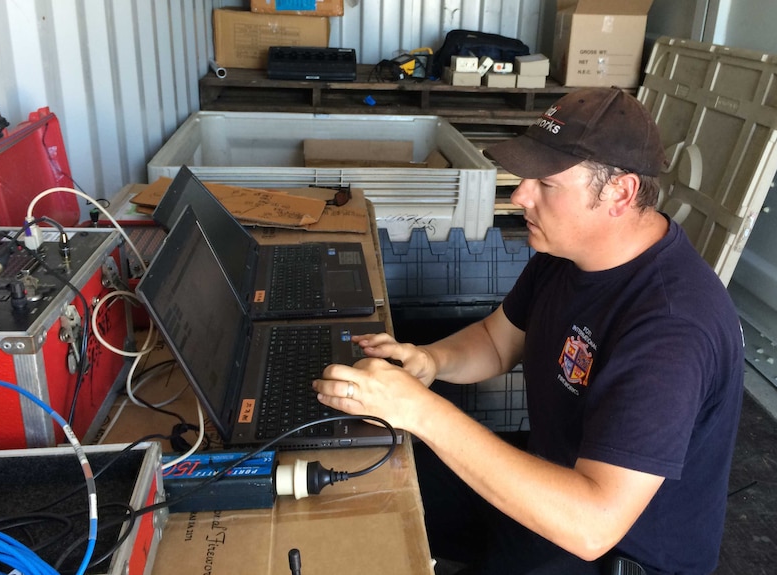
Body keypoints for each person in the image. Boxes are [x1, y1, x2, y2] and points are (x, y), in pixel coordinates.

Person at [313, 87, 745, 575]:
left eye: (546, 183)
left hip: (612, 550)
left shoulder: (671, 328)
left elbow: (591, 525)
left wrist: (420, 411)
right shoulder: (565, 255)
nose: (520, 194)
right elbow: (497, 341)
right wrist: (430, 361)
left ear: (620, 193)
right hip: (548, 483)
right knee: (369, 479)